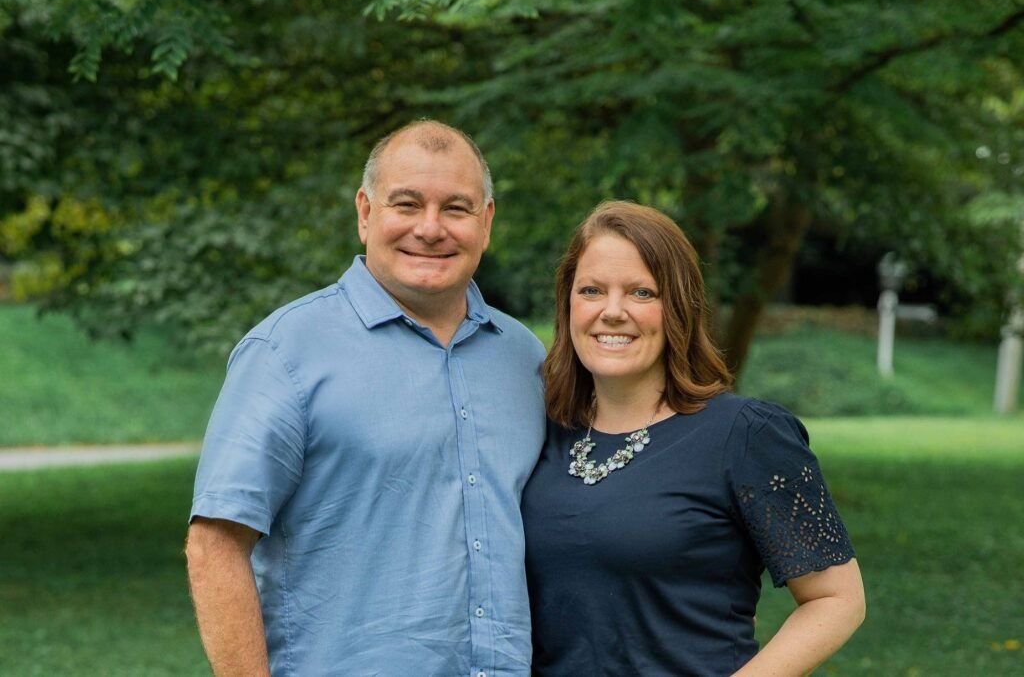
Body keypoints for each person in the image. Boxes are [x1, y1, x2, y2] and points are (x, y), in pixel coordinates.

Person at [185, 120, 546, 677]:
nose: (430, 228)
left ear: (486, 221)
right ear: (365, 212)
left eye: (456, 208)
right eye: (407, 204)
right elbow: (214, 546)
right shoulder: (285, 352)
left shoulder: (523, 358)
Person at [522, 201, 865, 676]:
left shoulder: (746, 434)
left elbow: (837, 598)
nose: (612, 311)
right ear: (568, 303)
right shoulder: (540, 430)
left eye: (642, 292)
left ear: (679, 307)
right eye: (592, 290)